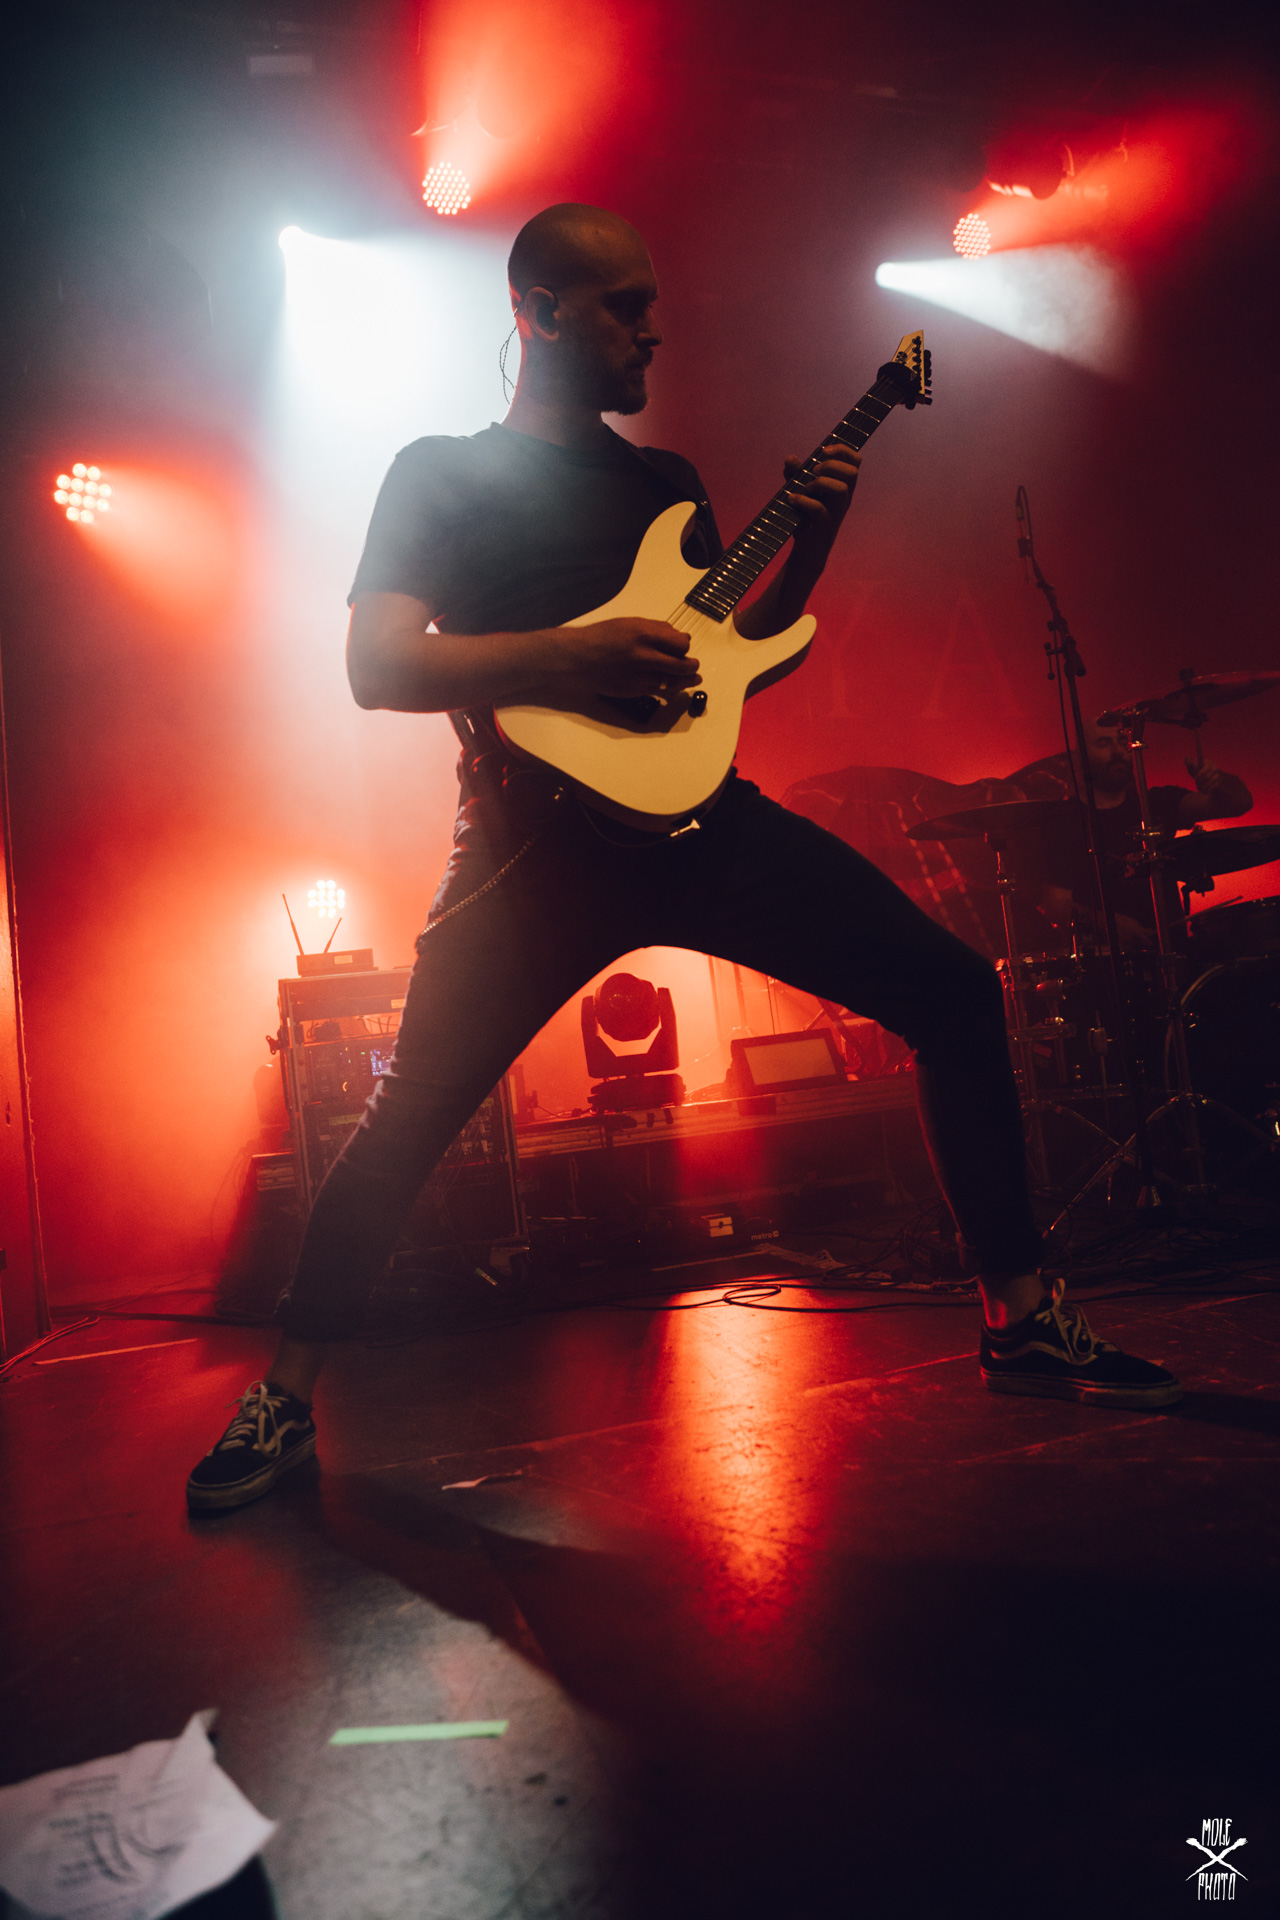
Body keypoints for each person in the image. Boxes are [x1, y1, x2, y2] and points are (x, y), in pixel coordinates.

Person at [187, 204, 1181, 1513]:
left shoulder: (667, 486)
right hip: (533, 850)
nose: (652, 329)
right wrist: (569, 656)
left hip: (704, 830)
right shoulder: (438, 475)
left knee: (952, 990)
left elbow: (724, 668)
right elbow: (377, 664)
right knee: (406, 1118)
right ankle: (283, 1399)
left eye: (651, 303)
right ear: (537, 311)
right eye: (623, 305)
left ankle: (1019, 1314)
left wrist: (812, 539)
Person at [1007, 717, 1253, 950]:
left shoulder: (1155, 803)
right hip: (1109, 961)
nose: (1117, 751)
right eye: (1103, 743)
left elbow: (1239, 803)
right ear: (1079, 758)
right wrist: (1109, 924)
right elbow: (1056, 905)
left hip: (1174, 952)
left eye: (1122, 741)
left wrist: (1218, 781)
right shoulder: (1062, 820)